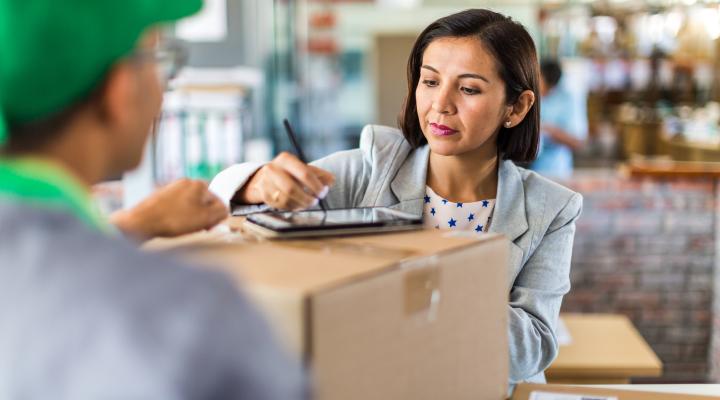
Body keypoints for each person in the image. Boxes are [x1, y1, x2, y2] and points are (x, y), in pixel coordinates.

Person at [211, 9, 582, 385]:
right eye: (430, 82)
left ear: (516, 107)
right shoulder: (370, 171)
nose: (441, 104)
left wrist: (416, 286)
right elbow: (223, 199)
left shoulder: (550, 209)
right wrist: (257, 183)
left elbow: (532, 346)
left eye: (468, 89)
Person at [0, 0, 308, 398]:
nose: (163, 87)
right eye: (158, 60)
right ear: (120, 91)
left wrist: (134, 224)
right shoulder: (187, 319)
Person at [530, 59, 587, 179]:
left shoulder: (568, 100)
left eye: (538, 78)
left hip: (556, 173)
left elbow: (578, 142)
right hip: (528, 170)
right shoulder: (531, 96)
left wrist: (549, 131)